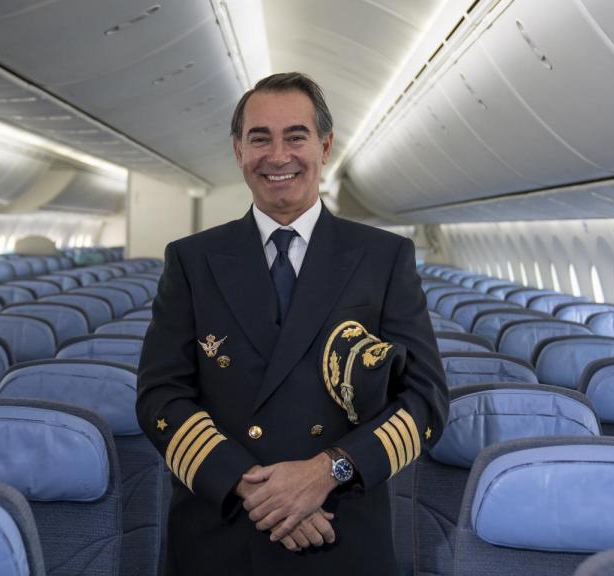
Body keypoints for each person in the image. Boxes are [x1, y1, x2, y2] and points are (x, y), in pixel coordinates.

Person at [136, 72, 447, 576]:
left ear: (325, 146)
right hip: (223, 530)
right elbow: (160, 396)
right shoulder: (192, 260)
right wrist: (252, 486)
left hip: (340, 526)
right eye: (260, 138)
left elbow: (426, 402)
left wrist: (327, 472)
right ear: (238, 151)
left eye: (295, 136)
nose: (278, 155)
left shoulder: (383, 257)